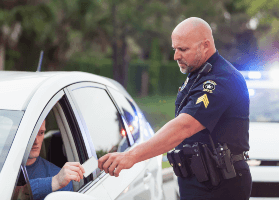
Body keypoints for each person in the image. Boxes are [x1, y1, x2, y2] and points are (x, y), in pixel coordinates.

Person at [98, 17, 252, 200]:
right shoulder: (198, 73)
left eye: (183, 49)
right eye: (175, 49)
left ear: (205, 45)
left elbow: (184, 126)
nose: (176, 56)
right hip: (198, 180)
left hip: (220, 185)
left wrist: (131, 155)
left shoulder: (221, 79)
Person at [26, 120, 85, 200]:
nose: (36, 141)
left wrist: (56, 181)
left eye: (41, 133)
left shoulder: (61, 178)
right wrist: (53, 182)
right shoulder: (5, 166)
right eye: (31, 134)